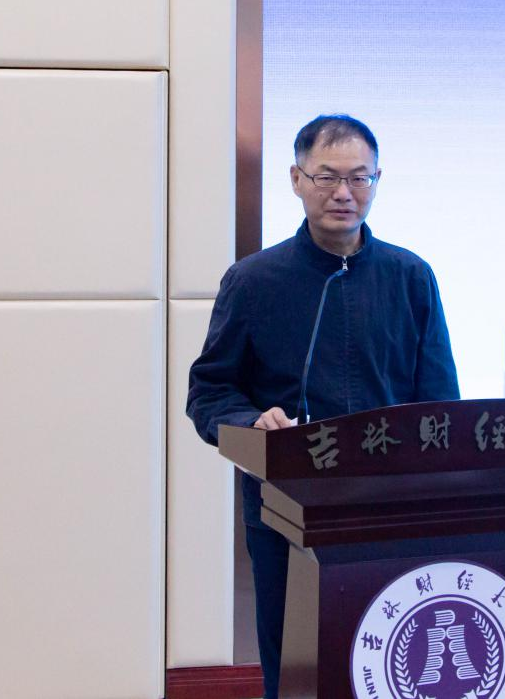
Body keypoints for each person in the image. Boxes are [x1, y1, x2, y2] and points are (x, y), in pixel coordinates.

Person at [186, 113, 460, 699]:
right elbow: (209, 392)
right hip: (287, 509)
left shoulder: (411, 277)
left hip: (388, 509)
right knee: (296, 670)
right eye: (327, 176)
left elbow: (440, 403)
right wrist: (251, 422)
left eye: (360, 178)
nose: (344, 192)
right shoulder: (254, 281)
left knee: (393, 665)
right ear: (297, 180)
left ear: (377, 181)